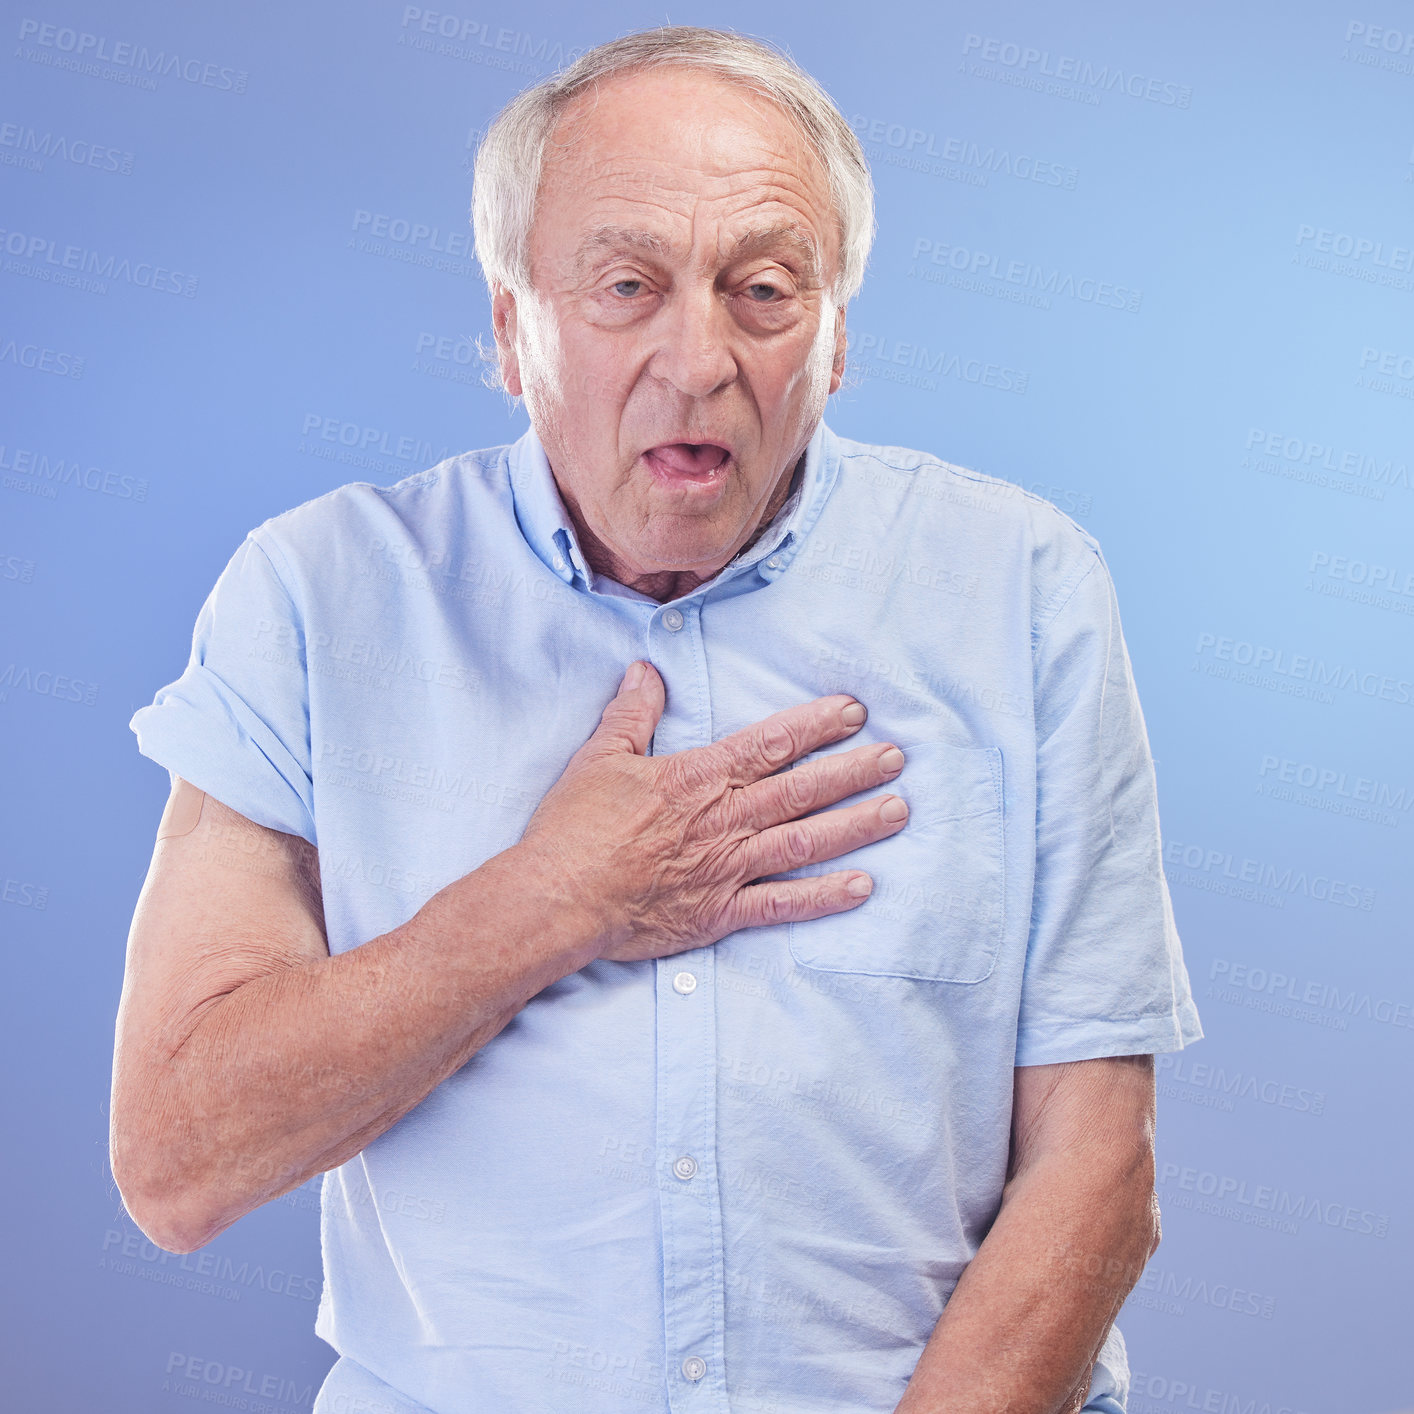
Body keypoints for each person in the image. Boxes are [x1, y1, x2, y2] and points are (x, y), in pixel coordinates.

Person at [112, 25, 1201, 1414]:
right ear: (511, 328)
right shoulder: (319, 595)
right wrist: (557, 899)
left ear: (838, 335)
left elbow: (1099, 1172)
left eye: (763, 289)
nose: (698, 358)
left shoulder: (1025, 583)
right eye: (626, 286)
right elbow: (182, 1158)